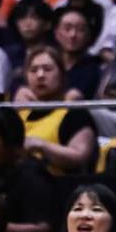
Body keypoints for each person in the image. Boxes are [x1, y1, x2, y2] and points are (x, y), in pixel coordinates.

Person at [17, 46, 102, 174]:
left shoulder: (74, 113)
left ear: (62, 74)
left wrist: (41, 145)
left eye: (47, 69)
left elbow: (80, 156)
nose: (40, 75)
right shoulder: (20, 114)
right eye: (33, 70)